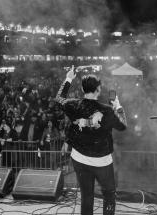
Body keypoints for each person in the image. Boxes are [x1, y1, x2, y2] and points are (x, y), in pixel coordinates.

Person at [55, 66, 127, 215]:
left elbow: (59, 98)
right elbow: (122, 126)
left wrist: (68, 78)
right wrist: (118, 108)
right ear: (98, 89)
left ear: (82, 88)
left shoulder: (72, 105)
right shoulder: (107, 110)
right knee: (109, 194)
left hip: (79, 159)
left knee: (87, 196)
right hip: (101, 162)